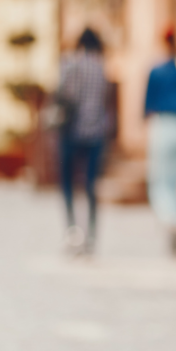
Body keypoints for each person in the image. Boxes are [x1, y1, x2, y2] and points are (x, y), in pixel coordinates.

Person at [58, 28, 110, 255]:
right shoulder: (101, 68)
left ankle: (72, 230)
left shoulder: (70, 64)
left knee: (68, 183)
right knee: (90, 185)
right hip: (96, 132)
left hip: (71, 131)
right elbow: (105, 99)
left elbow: (62, 93)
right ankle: (91, 234)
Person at [144, 28, 176, 255]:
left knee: (159, 183)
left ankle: (171, 220)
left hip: (163, 126)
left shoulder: (157, 71)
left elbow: (147, 106)